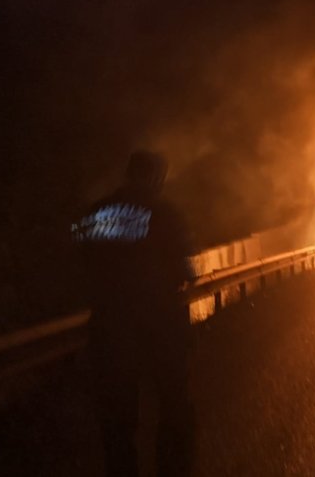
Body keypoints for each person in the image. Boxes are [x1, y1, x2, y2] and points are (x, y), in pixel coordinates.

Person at [73, 150, 197, 477]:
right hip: (160, 328)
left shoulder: (97, 212)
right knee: (174, 409)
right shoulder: (164, 212)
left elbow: (79, 257)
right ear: (155, 177)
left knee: (117, 419)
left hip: (109, 330)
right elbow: (186, 270)